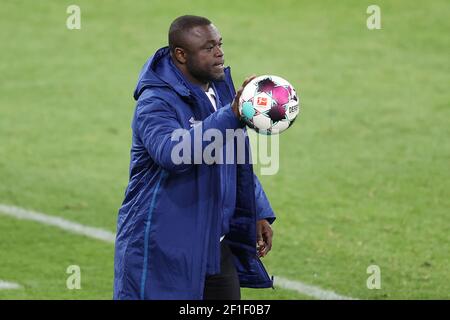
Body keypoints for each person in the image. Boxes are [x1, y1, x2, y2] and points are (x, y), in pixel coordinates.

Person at [113, 15, 275, 300]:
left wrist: (257, 209)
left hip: (214, 243)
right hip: (163, 247)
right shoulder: (155, 102)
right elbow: (173, 154)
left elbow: (235, 156)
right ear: (181, 55)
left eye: (220, 44)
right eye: (208, 47)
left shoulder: (222, 88)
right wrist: (231, 115)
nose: (219, 53)